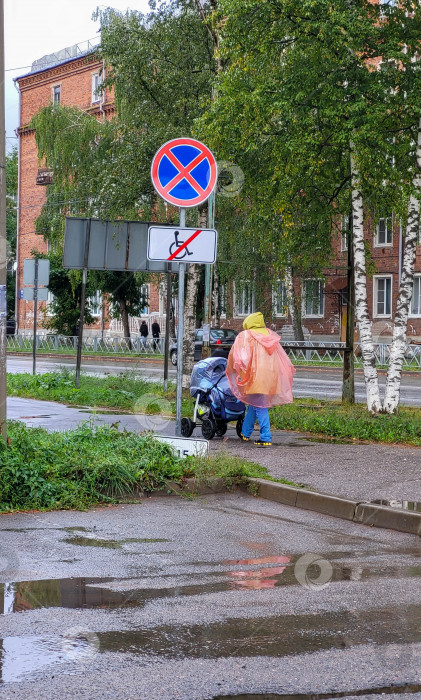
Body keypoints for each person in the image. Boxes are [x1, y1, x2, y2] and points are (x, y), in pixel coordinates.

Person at [226, 312, 295, 447]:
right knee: (255, 403)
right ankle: (245, 433)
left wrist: (234, 370)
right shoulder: (270, 335)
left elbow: (241, 357)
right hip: (271, 375)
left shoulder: (245, 336)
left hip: (255, 375)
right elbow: (281, 356)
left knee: (260, 405)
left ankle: (265, 437)